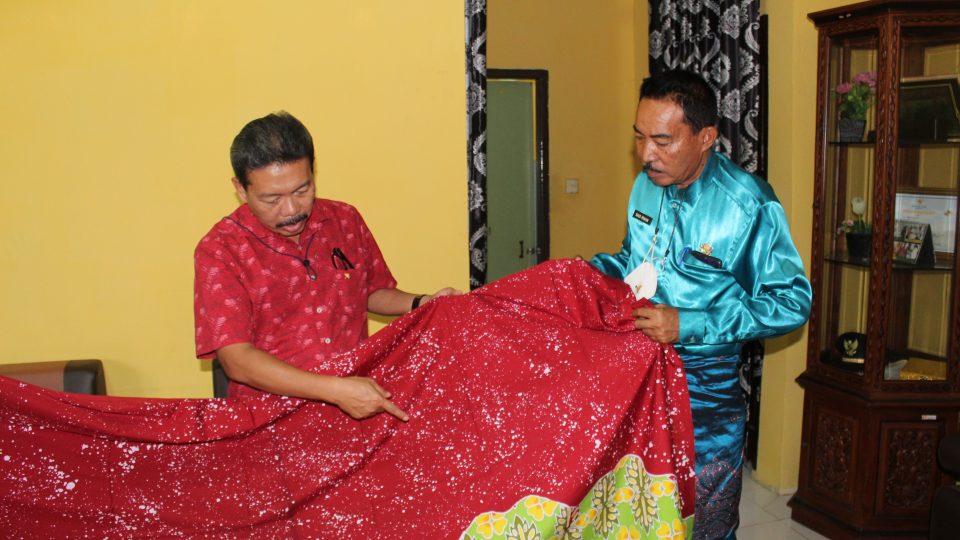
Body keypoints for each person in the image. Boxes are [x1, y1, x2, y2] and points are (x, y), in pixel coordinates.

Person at [591, 70, 812, 540]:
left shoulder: (748, 205)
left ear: (706, 137)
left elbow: (792, 302)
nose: (646, 154)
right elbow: (632, 260)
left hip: (704, 398)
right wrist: (582, 275)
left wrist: (690, 323)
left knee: (704, 523)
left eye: (662, 141)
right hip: (636, 379)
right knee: (637, 515)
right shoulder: (647, 184)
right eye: (639, 137)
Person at [194, 111, 458, 421]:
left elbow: (371, 291)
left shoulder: (344, 220)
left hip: (355, 404)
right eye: (272, 199)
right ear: (241, 189)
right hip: (272, 420)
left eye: (302, 190)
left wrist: (422, 303)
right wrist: (335, 390)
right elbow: (237, 359)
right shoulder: (220, 249)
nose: (291, 209)